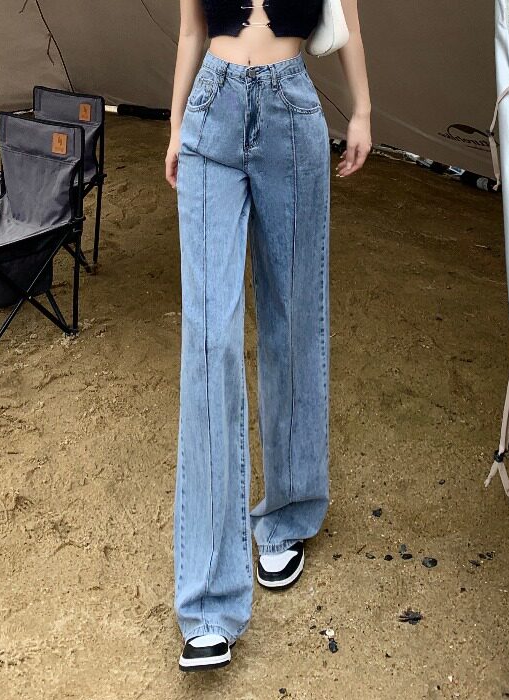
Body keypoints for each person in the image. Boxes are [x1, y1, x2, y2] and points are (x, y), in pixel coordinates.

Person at [164, 0, 372, 672]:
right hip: (212, 113)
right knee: (210, 346)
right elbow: (191, 30)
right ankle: (207, 602)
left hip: (290, 112)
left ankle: (288, 511)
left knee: (294, 319)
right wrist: (175, 126)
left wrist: (362, 111)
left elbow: (348, 17)